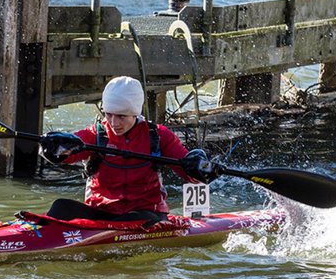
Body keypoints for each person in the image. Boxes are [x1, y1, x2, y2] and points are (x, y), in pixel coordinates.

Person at [38, 76, 219, 223]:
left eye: (121, 116)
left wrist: (200, 168)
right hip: (101, 212)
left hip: (145, 215)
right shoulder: (96, 135)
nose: (114, 123)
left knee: (139, 219)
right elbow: (64, 156)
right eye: (109, 114)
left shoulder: (158, 136)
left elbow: (190, 173)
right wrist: (55, 148)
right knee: (60, 206)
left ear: (135, 113)